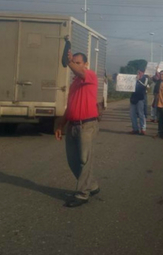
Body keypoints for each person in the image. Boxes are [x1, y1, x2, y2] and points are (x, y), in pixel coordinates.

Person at [55, 41, 100, 208]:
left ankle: (82, 194)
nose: (74, 65)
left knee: (84, 160)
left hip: (87, 125)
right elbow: (71, 105)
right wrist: (60, 125)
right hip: (72, 125)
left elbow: (79, 71)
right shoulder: (74, 83)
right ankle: (92, 186)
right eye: (73, 62)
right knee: (73, 160)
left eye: (78, 62)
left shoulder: (90, 76)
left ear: (86, 64)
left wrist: (69, 62)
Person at [130, 69, 149, 135]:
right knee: (132, 115)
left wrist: (138, 80)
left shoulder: (145, 79)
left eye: (139, 72)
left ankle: (143, 129)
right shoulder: (133, 79)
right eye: (137, 72)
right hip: (133, 98)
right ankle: (135, 129)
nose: (138, 74)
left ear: (143, 73)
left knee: (141, 114)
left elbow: (144, 86)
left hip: (140, 99)